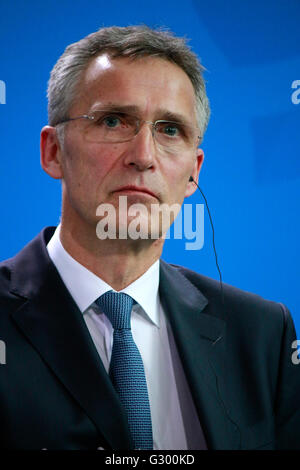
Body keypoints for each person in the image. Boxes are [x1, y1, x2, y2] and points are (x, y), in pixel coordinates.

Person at [0, 25, 299, 451]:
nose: (143, 156)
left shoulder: (263, 335)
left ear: (194, 171)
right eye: (113, 120)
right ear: (53, 152)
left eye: (170, 130)